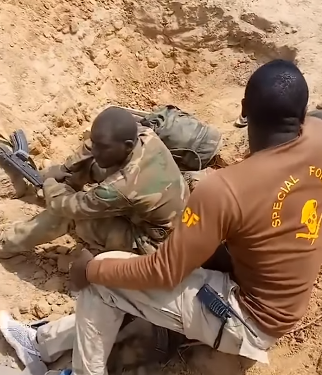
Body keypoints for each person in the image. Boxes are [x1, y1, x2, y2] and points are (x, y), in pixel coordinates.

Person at [2, 59, 321, 375]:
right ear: (302, 114)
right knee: (124, 282)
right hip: (286, 299)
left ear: (243, 109)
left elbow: (163, 271)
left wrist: (92, 268)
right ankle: (41, 343)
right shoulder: (318, 138)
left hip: (248, 318)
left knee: (104, 276)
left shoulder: (224, 189)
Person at [0, 107, 188, 258]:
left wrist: (50, 184)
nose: (96, 151)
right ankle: (66, 186)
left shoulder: (122, 186)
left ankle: (7, 244)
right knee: (92, 164)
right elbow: (93, 146)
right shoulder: (144, 135)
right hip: (164, 212)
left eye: (103, 147)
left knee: (71, 217)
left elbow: (72, 208)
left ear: (128, 146)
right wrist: (66, 169)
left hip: (154, 242)